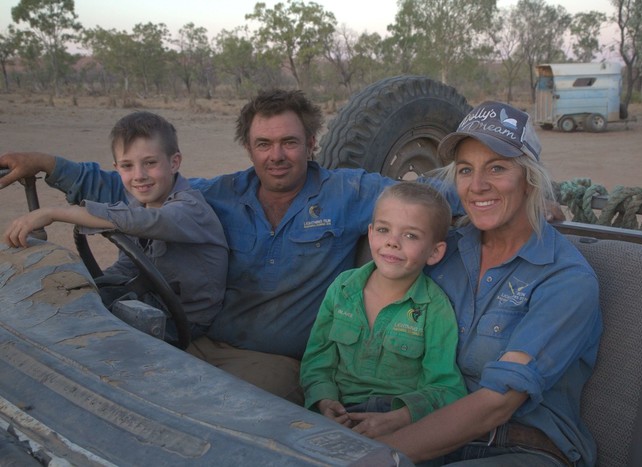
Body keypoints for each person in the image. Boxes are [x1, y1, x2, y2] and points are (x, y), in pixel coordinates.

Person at [0, 90, 401, 405]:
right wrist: (48, 164)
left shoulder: (348, 191)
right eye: (263, 143)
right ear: (248, 147)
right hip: (197, 340)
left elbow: (424, 198)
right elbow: (133, 188)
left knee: (201, 407)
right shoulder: (220, 194)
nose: (276, 155)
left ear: (311, 143)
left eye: (289, 142)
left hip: (279, 363)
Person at [376, 101, 603, 466]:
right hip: (429, 425)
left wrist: (381, 455)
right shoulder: (443, 252)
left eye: (497, 168)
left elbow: (499, 402)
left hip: (521, 446)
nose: (478, 186)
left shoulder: (565, 280)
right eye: (466, 170)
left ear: (529, 179)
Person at [2, 111, 228, 341]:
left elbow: (143, 221)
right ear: (117, 167)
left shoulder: (190, 209)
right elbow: (128, 266)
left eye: (150, 163)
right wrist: (88, 286)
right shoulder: (139, 204)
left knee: (81, 334)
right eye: (127, 166)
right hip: (147, 300)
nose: (139, 175)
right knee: (56, 301)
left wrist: (54, 213)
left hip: (183, 321)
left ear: (174, 162)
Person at [300, 181, 467, 438]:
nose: (392, 242)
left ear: (434, 252)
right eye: (383, 229)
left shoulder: (434, 307)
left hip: (398, 421)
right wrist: (323, 400)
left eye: (410, 235)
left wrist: (401, 417)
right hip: (339, 412)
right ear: (370, 234)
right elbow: (317, 359)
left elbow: (446, 387)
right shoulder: (343, 289)